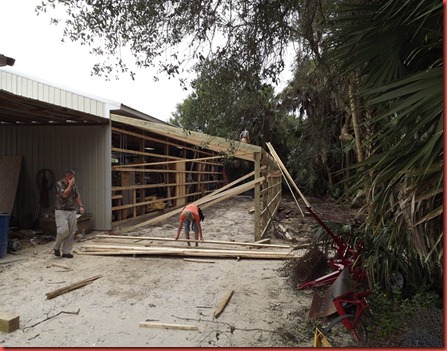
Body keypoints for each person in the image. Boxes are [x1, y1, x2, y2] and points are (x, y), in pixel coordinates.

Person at [53, 168, 85, 258]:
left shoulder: (73, 185)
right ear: (67, 176)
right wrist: (70, 185)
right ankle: (56, 246)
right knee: (63, 230)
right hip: (61, 211)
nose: (73, 179)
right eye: (72, 177)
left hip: (71, 210)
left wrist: (81, 206)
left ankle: (66, 251)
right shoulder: (59, 184)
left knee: (71, 231)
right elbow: (64, 195)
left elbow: (76, 196)